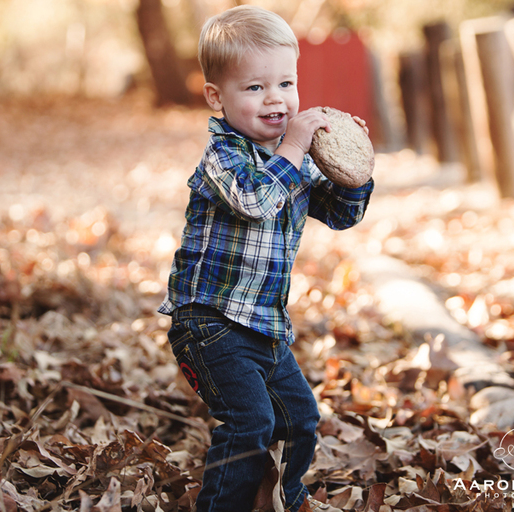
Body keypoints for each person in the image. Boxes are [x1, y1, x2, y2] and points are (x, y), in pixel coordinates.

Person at [158, 5, 374, 512]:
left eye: (285, 83)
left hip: (264, 327)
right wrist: (295, 146)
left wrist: (356, 168)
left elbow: (342, 214)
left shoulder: (293, 157)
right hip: (209, 323)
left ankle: (284, 499)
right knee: (249, 421)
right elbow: (255, 200)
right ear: (218, 96)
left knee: (301, 418)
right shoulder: (223, 156)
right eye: (254, 88)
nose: (276, 99)